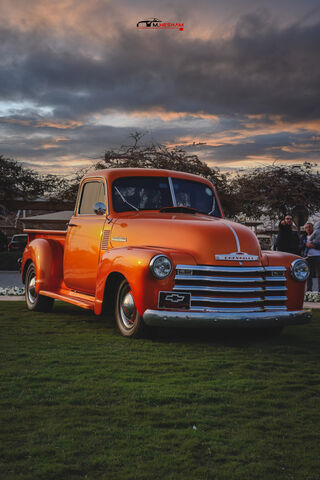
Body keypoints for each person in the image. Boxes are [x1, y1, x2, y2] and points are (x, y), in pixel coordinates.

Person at [300, 222, 320, 292]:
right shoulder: (303, 237)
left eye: (310, 227)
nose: (308, 229)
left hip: (318, 256)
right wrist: (306, 245)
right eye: (306, 227)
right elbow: (300, 247)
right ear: (305, 229)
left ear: (313, 228)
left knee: (319, 274)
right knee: (309, 275)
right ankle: (309, 291)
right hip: (308, 257)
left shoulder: (318, 235)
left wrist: (314, 246)